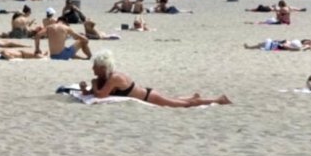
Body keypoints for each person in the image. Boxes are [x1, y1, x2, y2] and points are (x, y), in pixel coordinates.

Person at [83, 50, 231, 106]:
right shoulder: (107, 78)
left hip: (149, 97)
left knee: (184, 105)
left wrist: (94, 84)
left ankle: (218, 100)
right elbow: (93, 93)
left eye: (95, 66)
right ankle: (192, 96)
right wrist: (86, 88)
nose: (92, 69)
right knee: (174, 100)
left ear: (102, 67)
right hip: (149, 94)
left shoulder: (114, 78)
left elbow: (100, 95)